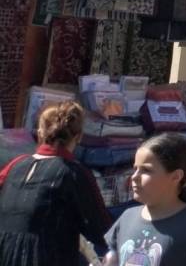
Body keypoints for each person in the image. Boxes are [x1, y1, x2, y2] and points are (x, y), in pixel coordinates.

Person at [0, 101, 111, 265]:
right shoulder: (73, 173)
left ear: (39, 134)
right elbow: (102, 230)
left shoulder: (15, 165)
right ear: (79, 136)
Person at [105, 133, 186, 265]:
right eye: (135, 169)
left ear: (176, 176)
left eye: (146, 170)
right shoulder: (126, 218)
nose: (134, 177)